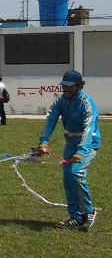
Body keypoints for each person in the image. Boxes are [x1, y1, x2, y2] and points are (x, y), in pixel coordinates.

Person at [38, 70, 101, 231]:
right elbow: (51, 119)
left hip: (88, 144)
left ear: (79, 86)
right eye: (64, 86)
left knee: (76, 173)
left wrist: (81, 151)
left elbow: (89, 129)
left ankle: (88, 212)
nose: (65, 89)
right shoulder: (60, 101)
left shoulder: (87, 103)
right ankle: (76, 216)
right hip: (71, 143)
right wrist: (44, 141)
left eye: (70, 87)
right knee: (67, 177)